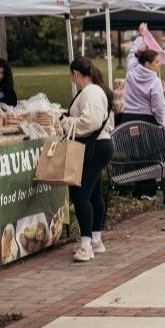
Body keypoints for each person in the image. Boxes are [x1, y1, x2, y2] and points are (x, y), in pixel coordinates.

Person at [61, 57, 115, 262]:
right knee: (93, 194)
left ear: (75, 74)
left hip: (94, 146)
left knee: (81, 195)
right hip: (101, 145)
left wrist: (65, 122)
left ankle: (86, 245)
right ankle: (95, 240)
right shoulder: (98, 91)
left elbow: (90, 122)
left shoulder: (90, 92)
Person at [120, 25, 165, 127]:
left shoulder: (131, 71)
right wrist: (161, 123)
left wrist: (141, 35)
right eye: (157, 62)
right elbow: (158, 107)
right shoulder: (155, 81)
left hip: (127, 119)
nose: (160, 64)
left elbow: (132, 53)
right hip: (146, 122)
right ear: (148, 64)